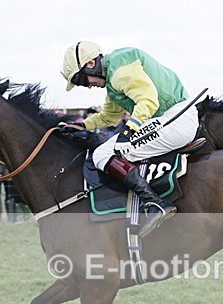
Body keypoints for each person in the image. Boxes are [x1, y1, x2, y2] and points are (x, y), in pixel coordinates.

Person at [60, 41, 199, 237]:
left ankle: (155, 204)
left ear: (91, 63)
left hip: (175, 118)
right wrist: (82, 125)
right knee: (105, 151)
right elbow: (109, 116)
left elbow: (148, 99)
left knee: (103, 154)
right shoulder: (113, 75)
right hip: (169, 118)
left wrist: (129, 130)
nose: (87, 86)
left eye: (82, 80)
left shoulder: (119, 71)